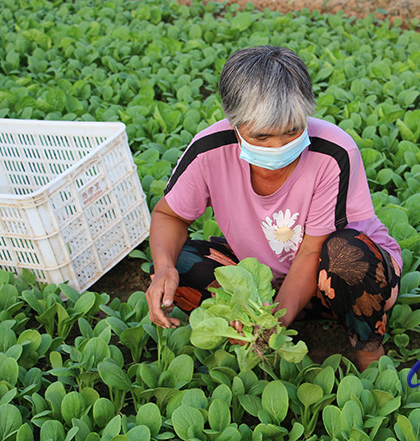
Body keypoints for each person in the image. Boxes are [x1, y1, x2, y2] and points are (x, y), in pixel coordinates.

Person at [145, 45, 402, 371]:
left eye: (292, 131)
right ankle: (249, 323)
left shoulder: (333, 152)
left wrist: (274, 320)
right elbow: (169, 214)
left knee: (345, 253)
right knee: (176, 264)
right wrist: (165, 266)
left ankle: (369, 347)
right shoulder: (209, 151)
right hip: (268, 275)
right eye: (262, 136)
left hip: (342, 283)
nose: (279, 147)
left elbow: (312, 251)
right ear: (234, 123)